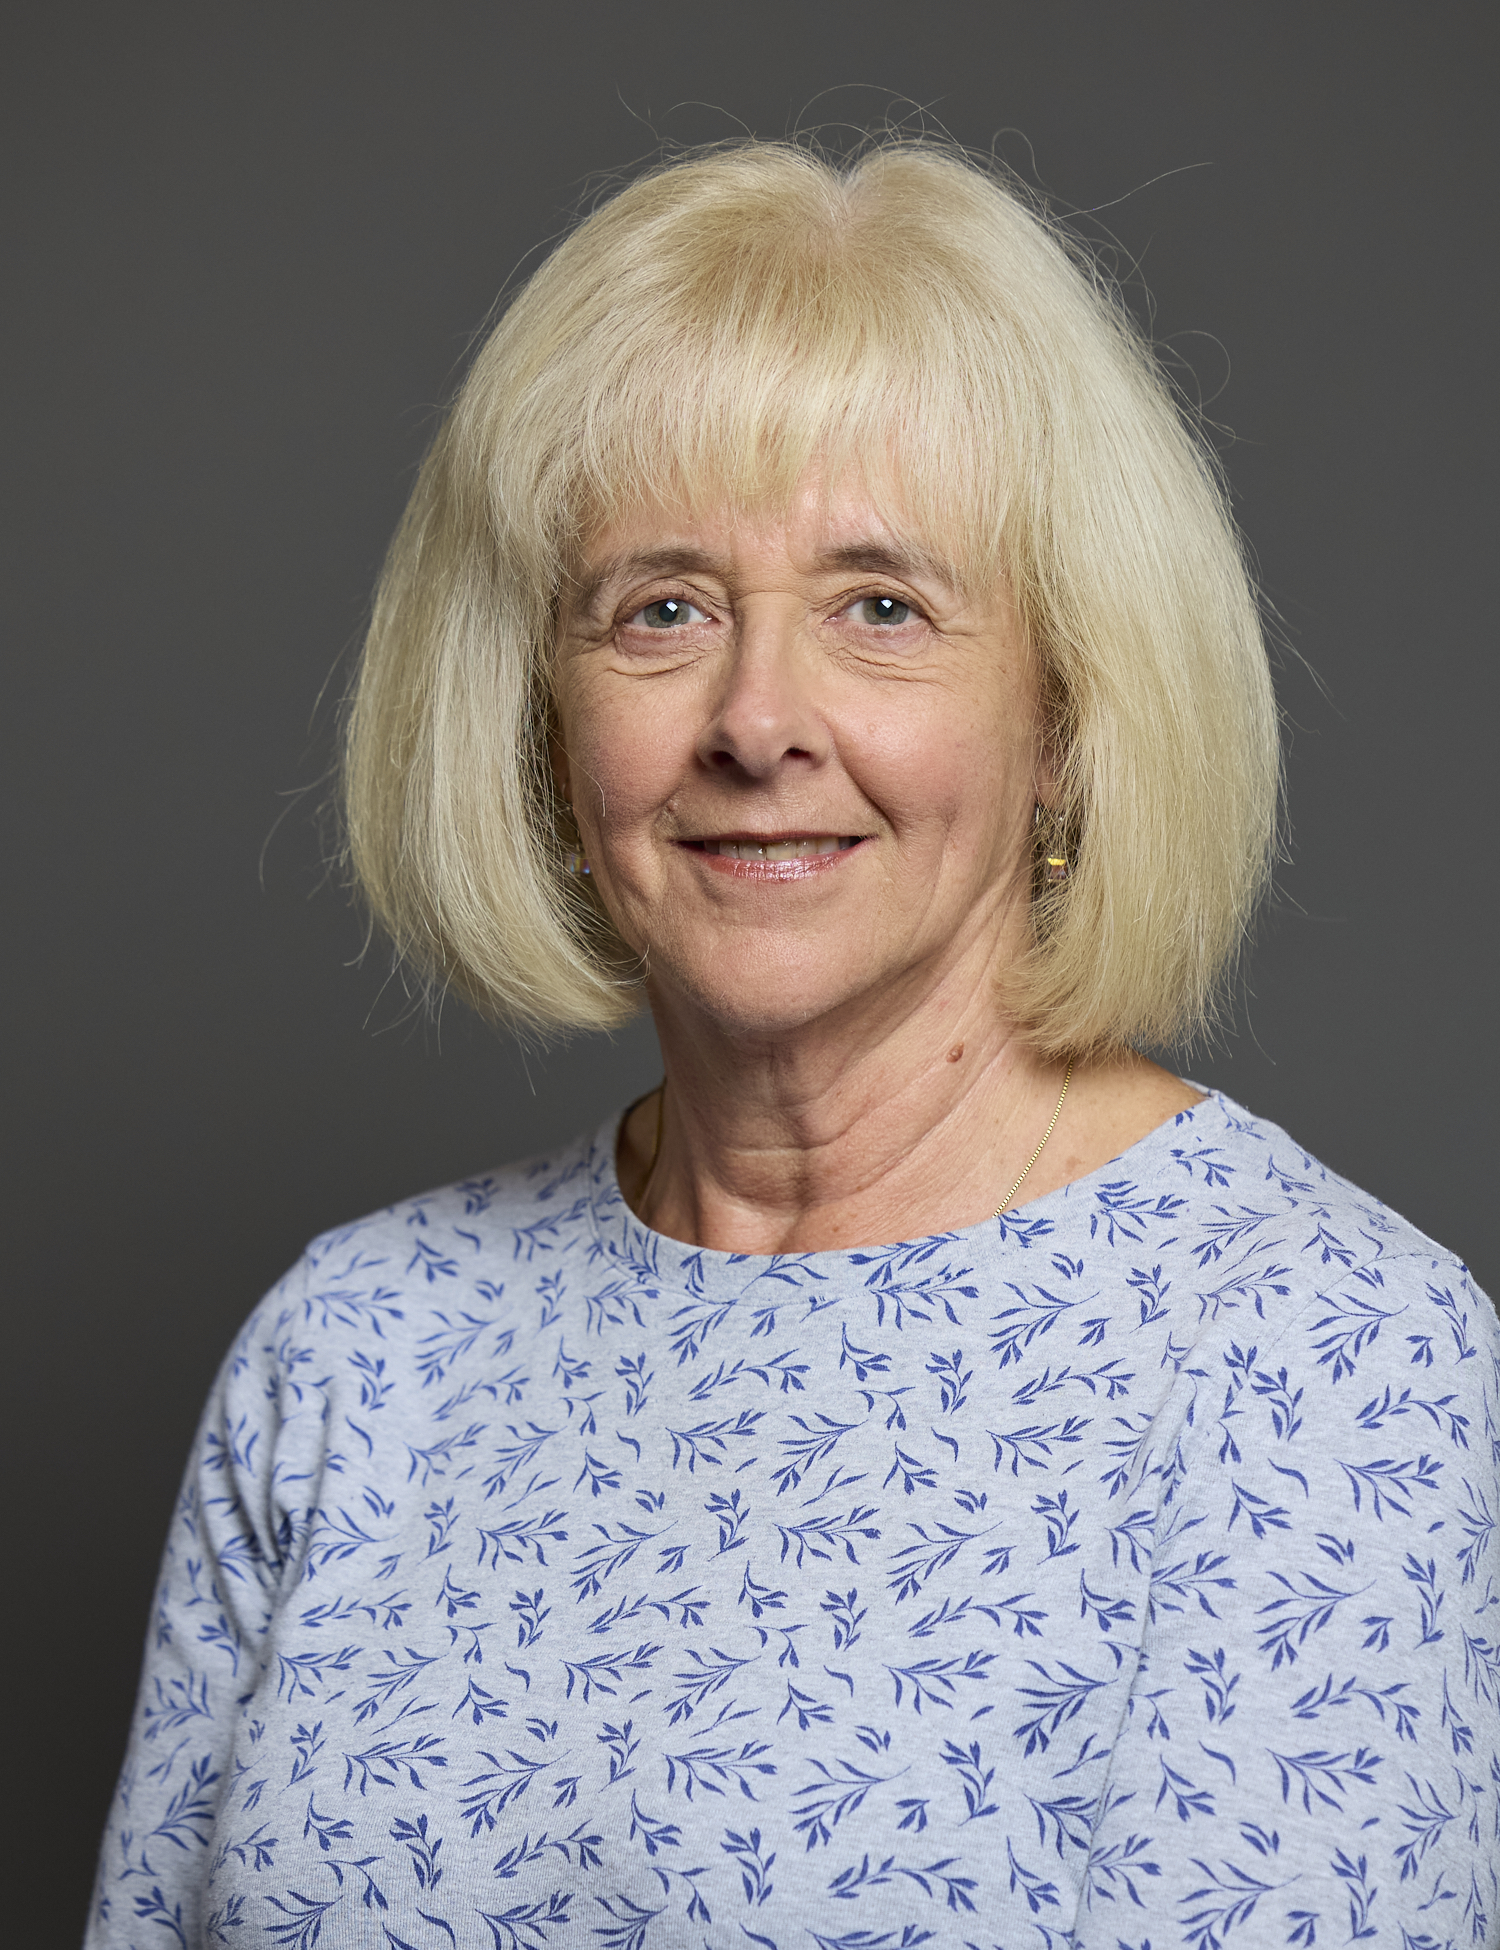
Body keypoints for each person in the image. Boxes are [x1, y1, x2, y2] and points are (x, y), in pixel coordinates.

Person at [87, 141, 1499, 1949]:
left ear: (1066, 719)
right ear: (537, 722)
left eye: (880, 607)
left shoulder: (1320, 1367)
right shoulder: (354, 1356)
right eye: (660, 609)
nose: (757, 720)